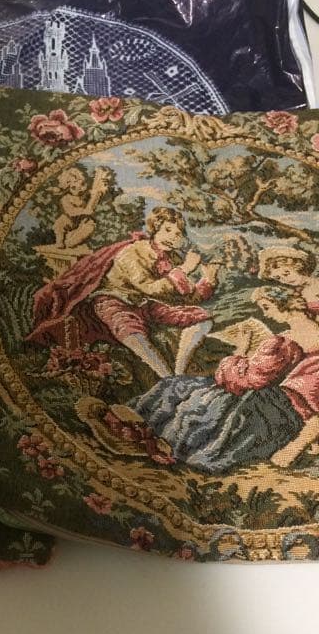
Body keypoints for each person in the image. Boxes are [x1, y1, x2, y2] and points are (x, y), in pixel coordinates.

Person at [128, 286, 319, 472]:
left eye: (267, 308)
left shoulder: (284, 342)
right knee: (188, 390)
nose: (266, 314)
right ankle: (144, 430)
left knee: (186, 391)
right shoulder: (312, 337)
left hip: (265, 403)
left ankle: (150, 435)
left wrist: (240, 351)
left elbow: (250, 379)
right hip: (284, 410)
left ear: (285, 305)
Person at [28, 206, 220, 377]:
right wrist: (184, 269)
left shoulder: (172, 259)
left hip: (146, 305)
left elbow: (185, 298)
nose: (172, 237)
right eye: (167, 230)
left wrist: (208, 280)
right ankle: (166, 377)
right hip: (114, 300)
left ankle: (179, 373)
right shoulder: (132, 251)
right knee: (129, 328)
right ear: (154, 228)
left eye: (178, 234)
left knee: (202, 318)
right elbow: (149, 287)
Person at [52, 166, 109, 250]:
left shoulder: (84, 195)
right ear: (67, 187)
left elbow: (94, 195)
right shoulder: (65, 198)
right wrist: (84, 211)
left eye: (82, 185)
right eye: (73, 187)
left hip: (81, 219)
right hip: (69, 219)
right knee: (60, 224)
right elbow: (70, 211)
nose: (79, 190)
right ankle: (59, 241)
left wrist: (98, 191)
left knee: (90, 225)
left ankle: (73, 241)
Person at [258, 246, 319, 314]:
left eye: (286, 273)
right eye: (278, 278)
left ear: (297, 266)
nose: (285, 279)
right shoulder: (298, 294)